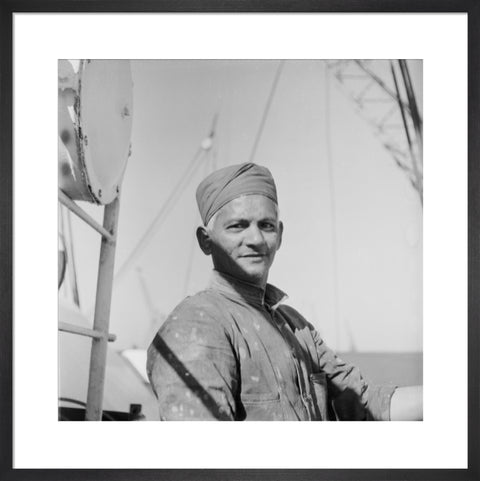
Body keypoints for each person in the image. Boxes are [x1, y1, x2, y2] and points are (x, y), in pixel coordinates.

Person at [146, 162, 422, 421]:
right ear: (206, 241)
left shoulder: (295, 327)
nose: (255, 239)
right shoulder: (199, 323)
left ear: (279, 235)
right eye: (237, 226)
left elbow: (364, 403)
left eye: (265, 226)